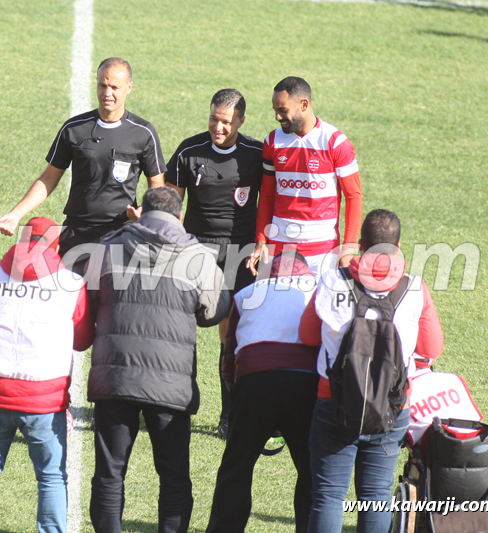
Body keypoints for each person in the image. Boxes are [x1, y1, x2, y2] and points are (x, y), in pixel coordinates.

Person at [86, 187, 231, 533]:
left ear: (140, 211)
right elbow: (214, 312)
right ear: (179, 216)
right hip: (170, 384)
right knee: (174, 475)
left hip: (115, 379)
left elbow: (88, 303)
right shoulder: (197, 256)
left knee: (109, 473)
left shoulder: (106, 247)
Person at [298, 209, 444, 532]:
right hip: (392, 408)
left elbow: (306, 335)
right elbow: (432, 349)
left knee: (328, 496)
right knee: (376, 496)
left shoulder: (332, 280)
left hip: (333, 401)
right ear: (398, 247)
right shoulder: (415, 288)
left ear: (361, 246)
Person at [0, 216, 95, 533]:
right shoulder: (71, 283)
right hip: (44, 397)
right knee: (51, 477)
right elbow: (82, 340)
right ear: (57, 248)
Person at [0, 57, 166, 273]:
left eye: (115, 87)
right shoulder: (74, 128)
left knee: (113, 294)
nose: (107, 93)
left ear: (129, 88)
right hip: (77, 232)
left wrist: (146, 212)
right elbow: (48, 179)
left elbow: (157, 186)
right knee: (69, 292)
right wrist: (16, 214)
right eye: (102, 85)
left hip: (121, 232)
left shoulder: (143, 132)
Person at [165, 88, 263, 438]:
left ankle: (228, 416)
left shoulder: (256, 154)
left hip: (241, 254)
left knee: (231, 333)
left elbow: (271, 201)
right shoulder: (189, 152)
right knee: (181, 329)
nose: (217, 127)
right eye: (213, 119)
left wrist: (263, 242)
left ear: (240, 121)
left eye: (225, 122)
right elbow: (171, 205)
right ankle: (176, 405)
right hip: (197, 252)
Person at [206, 250, 319, 533]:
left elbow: (229, 356)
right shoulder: (320, 291)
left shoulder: (246, 294)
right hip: (305, 384)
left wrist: (238, 394)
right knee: (312, 469)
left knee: (236, 467)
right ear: (305, 271)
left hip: (254, 381)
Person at [247, 76, 362, 277]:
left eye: (283, 110)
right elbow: (266, 195)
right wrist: (261, 240)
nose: (277, 117)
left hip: (323, 251)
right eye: (275, 110)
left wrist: (348, 248)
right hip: (280, 247)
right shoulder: (272, 141)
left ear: (304, 104)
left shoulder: (335, 142)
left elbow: (353, 196)